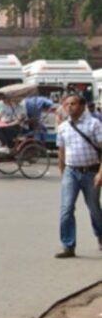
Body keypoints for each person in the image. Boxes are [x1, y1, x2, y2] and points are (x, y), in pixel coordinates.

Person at [54, 94, 102, 258]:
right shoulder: (63, 127)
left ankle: (100, 236)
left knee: (94, 209)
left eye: (73, 104)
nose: (69, 107)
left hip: (91, 172)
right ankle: (68, 246)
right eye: (66, 104)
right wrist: (63, 173)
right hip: (71, 172)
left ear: (82, 106)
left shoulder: (94, 124)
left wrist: (100, 173)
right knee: (66, 209)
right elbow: (61, 151)